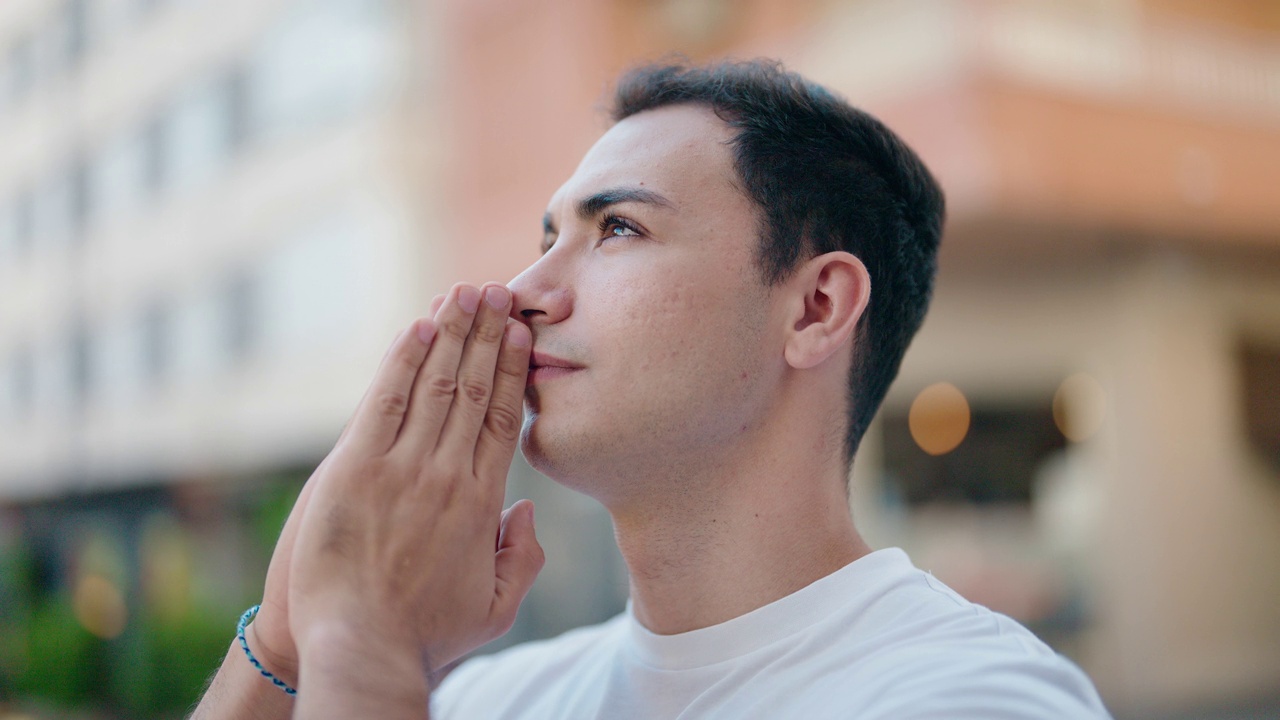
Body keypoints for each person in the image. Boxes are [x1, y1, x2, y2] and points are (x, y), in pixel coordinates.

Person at [192, 60, 1111, 719]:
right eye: (546, 235)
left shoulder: (970, 698)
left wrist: (362, 637)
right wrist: (284, 636)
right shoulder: (491, 697)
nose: (524, 293)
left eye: (619, 229)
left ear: (815, 308)